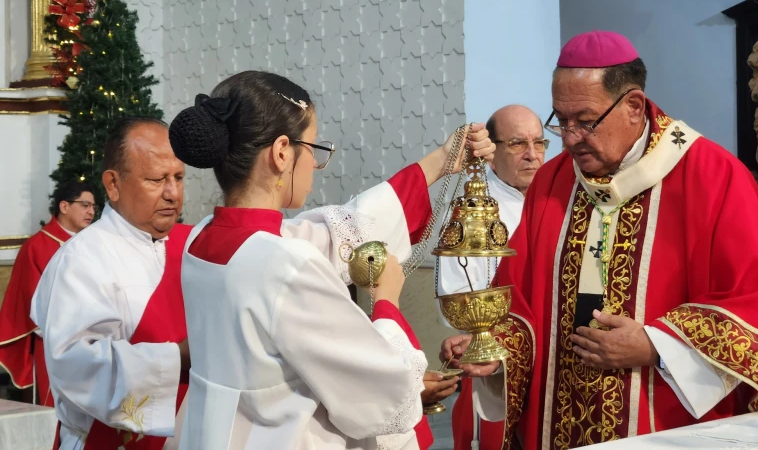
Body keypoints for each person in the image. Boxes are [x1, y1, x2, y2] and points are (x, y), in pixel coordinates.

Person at [33, 104, 492, 450]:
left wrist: (439, 162)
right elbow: (74, 366)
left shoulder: (199, 239)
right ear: (112, 184)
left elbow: (331, 230)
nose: (173, 193)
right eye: (157, 180)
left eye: (178, 177)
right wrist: (184, 357)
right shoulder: (81, 260)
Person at [444, 31, 758, 450]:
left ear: (633, 106)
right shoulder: (553, 184)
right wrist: (494, 347)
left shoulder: (713, 176)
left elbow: (757, 308)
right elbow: (521, 300)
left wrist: (657, 345)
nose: (570, 137)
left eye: (586, 121)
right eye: (561, 120)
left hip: (666, 422)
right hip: (561, 421)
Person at [170, 71, 494, 450]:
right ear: (280, 153)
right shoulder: (284, 264)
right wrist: (386, 301)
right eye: (313, 149)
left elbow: (348, 225)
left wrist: (444, 158)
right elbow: (386, 397)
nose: (314, 164)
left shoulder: (202, 238)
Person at [441, 105, 547, 450]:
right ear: (492, 152)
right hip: (497, 366)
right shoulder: (472, 210)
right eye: (518, 144)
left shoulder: (562, 201)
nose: (532, 155)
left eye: (540, 143)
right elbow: (458, 296)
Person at [0, 181, 96, 406]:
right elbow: (29, 298)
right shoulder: (37, 246)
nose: (91, 211)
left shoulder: (90, 243)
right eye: (85, 205)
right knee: (56, 407)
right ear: (64, 206)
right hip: (55, 341)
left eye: (93, 206)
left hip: (94, 338)